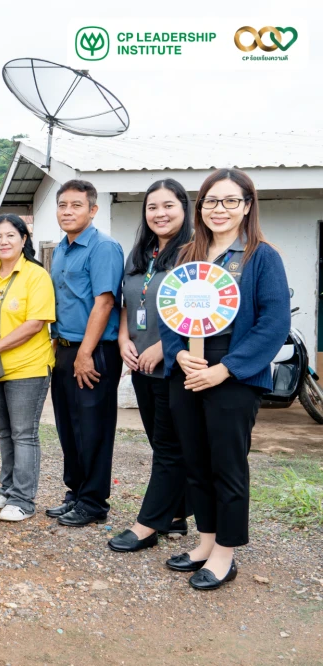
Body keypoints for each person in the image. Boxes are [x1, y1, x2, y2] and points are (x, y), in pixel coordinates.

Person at [159, 169, 289, 590]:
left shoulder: (261, 256)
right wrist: (178, 353)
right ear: (201, 207)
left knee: (227, 465)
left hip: (234, 372)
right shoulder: (187, 255)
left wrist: (226, 369)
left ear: (247, 206)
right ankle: (205, 541)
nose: (221, 209)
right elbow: (169, 312)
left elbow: (273, 323)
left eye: (231, 201)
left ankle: (225, 553)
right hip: (189, 368)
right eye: (212, 201)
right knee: (195, 461)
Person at [108, 180, 193, 552]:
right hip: (140, 363)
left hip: (173, 365)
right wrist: (124, 339)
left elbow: (196, 312)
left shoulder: (194, 252)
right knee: (161, 443)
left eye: (168, 206)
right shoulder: (140, 252)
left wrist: (163, 347)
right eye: (153, 207)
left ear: (185, 209)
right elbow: (128, 302)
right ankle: (176, 511)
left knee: (168, 445)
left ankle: (148, 524)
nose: (160, 213)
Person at [47, 179, 124, 527]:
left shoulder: (103, 247)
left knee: (93, 428)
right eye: (62, 205)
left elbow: (104, 302)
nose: (67, 211)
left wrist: (84, 353)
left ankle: (93, 502)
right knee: (68, 426)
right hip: (64, 349)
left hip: (93, 351)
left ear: (92, 210)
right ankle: (75, 493)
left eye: (76, 205)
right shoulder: (62, 248)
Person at [0, 215, 55, 522]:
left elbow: (35, 323)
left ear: (23, 240)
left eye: (10, 236)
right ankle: (7, 489)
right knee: (5, 433)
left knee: (24, 434)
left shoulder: (36, 275)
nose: (3, 242)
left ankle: (23, 500)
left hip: (26, 367)